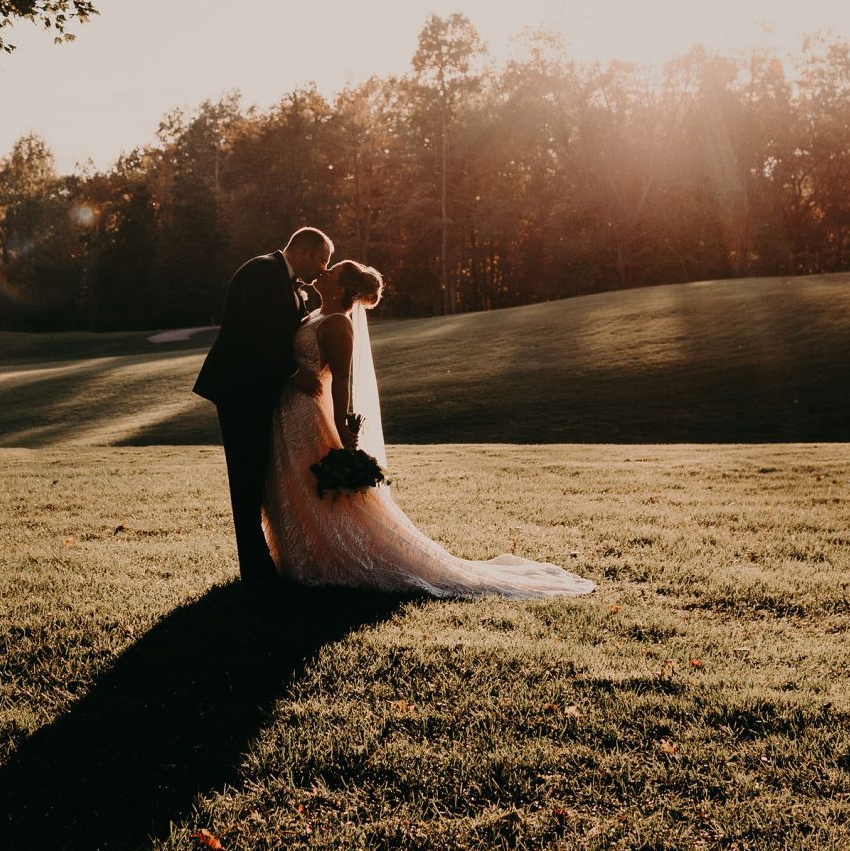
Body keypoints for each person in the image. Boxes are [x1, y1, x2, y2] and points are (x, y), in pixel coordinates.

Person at [262, 259, 594, 599]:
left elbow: (342, 380)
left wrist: (343, 426)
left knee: (319, 490)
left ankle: (333, 557)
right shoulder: (316, 313)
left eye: (331, 272)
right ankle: (303, 555)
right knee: (296, 484)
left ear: (341, 287)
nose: (323, 271)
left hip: (311, 413)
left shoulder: (337, 324)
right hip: (292, 410)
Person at [192, 227, 332, 582]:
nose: (323, 269)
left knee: (258, 475)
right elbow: (256, 334)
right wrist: (293, 372)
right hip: (240, 389)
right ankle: (255, 569)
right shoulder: (261, 271)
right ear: (302, 249)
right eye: (322, 259)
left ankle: (263, 561)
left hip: (260, 390)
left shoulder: (290, 284)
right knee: (245, 477)